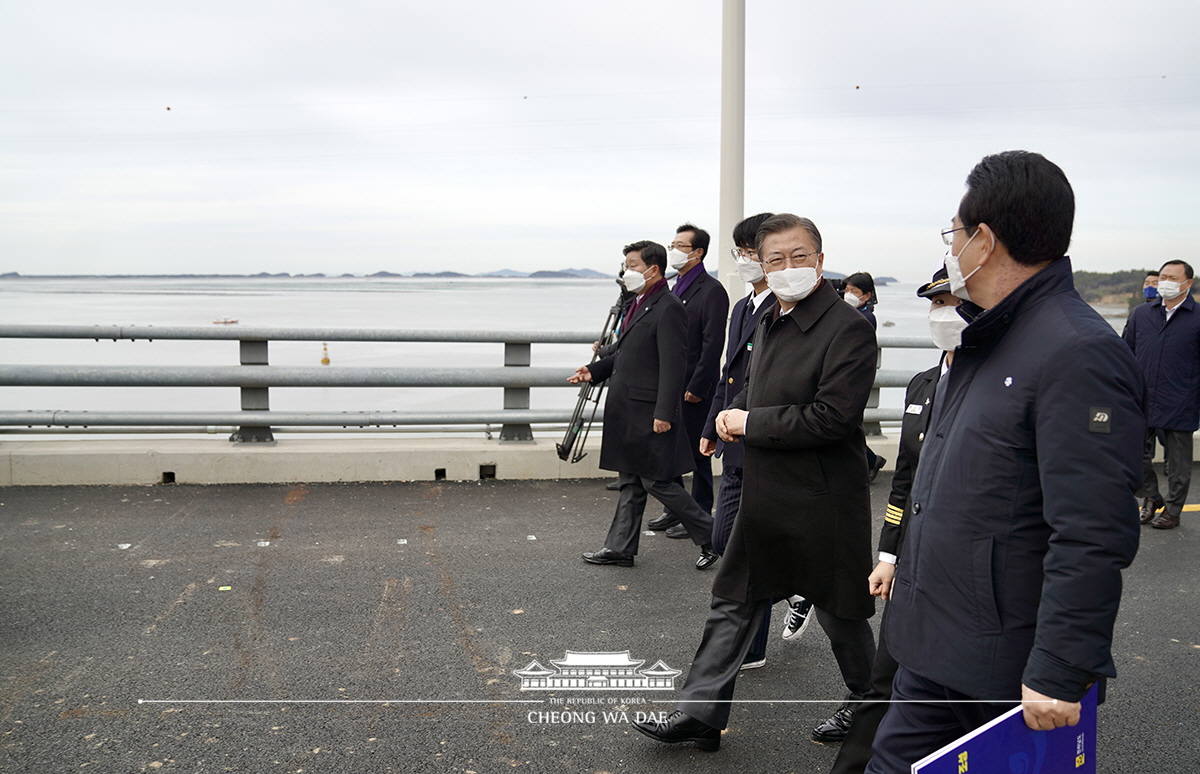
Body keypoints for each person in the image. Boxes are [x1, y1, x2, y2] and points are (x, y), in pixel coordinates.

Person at [866, 151, 1145, 773]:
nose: (952, 248)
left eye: (955, 235)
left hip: (1006, 667)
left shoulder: (1076, 351)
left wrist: (1062, 667)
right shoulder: (984, 337)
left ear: (984, 241)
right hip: (937, 645)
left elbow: (1093, 531)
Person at [631, 213, 878, 752]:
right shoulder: (768, 317)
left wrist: (751, 423)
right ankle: (700, 712)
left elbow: (833, 418)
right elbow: (755, 388)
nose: (788, 268)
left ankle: (873, 705)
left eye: (799, 256)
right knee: (733, 598)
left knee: (841, 615)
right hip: (764, 491)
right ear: (761, 265)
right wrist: (732, 414)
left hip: (823, 499)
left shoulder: (848, 328)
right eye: (775, 260)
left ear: (819, 256)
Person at [829, 266, 968, 774]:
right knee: (884, 678)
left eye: (951, 303)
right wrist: (888, 552)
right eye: (936, 304)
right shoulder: (924, 385)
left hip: (963, 570)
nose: (941, 314)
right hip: (910, 565)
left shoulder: (995, 386)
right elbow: (904, 481)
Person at [698, 212, 812, 672]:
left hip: (766, 441)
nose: (745, 261)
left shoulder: (784, 307)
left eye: (748, 253)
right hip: (735, 440)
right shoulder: (743, 306)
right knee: (726, 539)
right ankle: (801, 586)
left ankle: (752, 646)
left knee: (750, 549)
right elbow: (730, 376)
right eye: (742, 253)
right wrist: (711, 426)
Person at [569, 241, 717, 570]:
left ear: (653, 269)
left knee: (657, 481)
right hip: (631, 412)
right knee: (632, 481)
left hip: (650, 413)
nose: (627, 271)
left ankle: (714, 538)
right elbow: (627, 354)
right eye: (626, 265)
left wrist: (665, 413)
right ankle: (619, 548)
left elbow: (674, 364)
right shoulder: (640, 303)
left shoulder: (668, 306)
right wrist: (593, 371)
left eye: (633, 265)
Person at [648, 223, 729, 535]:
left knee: (698, 455)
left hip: (695, 387)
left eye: (681, 245)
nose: (673, 250)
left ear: (698, 252)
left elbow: (712, 345)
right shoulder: (673, 285)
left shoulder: (712, 290)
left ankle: (699, 517)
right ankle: (675, 509)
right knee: (670, 449)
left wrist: (699, 386)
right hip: (671, 385)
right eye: (672, 244)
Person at [1122, 259, 1200, 530]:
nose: (1164, 282)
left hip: (1181, 400)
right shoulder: (1141, 314)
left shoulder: (1198, 318)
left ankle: (1174, 510)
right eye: (1162, 276)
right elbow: (1126, 353)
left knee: (1179, 465)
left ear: (1187, 284)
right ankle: (1151, 497)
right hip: (1141, 399)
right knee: (1132, 453)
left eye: (1171, 278)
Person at [842, 271, 886, 483]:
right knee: (848, 427)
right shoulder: (852, 313)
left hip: (854, 379)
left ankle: (870, 460)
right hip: (848, 378)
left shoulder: (866, 317)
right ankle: (869, 461)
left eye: (854, 291)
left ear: (867, 295)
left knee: (849, 427)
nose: (848, 294)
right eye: (847, 290)